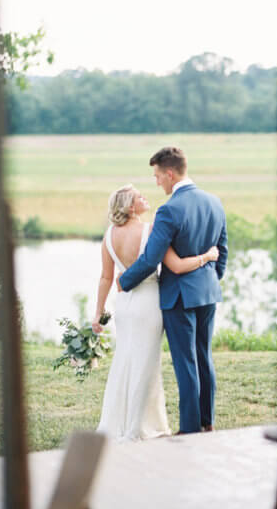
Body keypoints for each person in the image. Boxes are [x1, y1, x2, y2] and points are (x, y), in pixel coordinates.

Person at [93, 183, 219, 442]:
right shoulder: (151, 231)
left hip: (124, 306)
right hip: (149, 302)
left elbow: (106, 278)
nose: (144, 197)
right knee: (147, 365)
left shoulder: (108, 236)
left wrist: (98, 312)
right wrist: (207, 256)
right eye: (139, 197)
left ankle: (116, 422)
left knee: (125, 360)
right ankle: (140, 426)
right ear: (130, 206)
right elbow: (177, 266)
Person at [118, 147, 228, 434]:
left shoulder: (169, 210)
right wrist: (209, 279)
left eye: (157, 176)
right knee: (204, 356)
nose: (157, 183)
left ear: (169, 173)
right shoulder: (214, 202)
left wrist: (125, 281)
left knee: (186, 362)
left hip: (179, 296)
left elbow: (152, 257)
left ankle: (190, 428)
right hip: (207, 293)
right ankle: (207, 422)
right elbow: (223, 252)